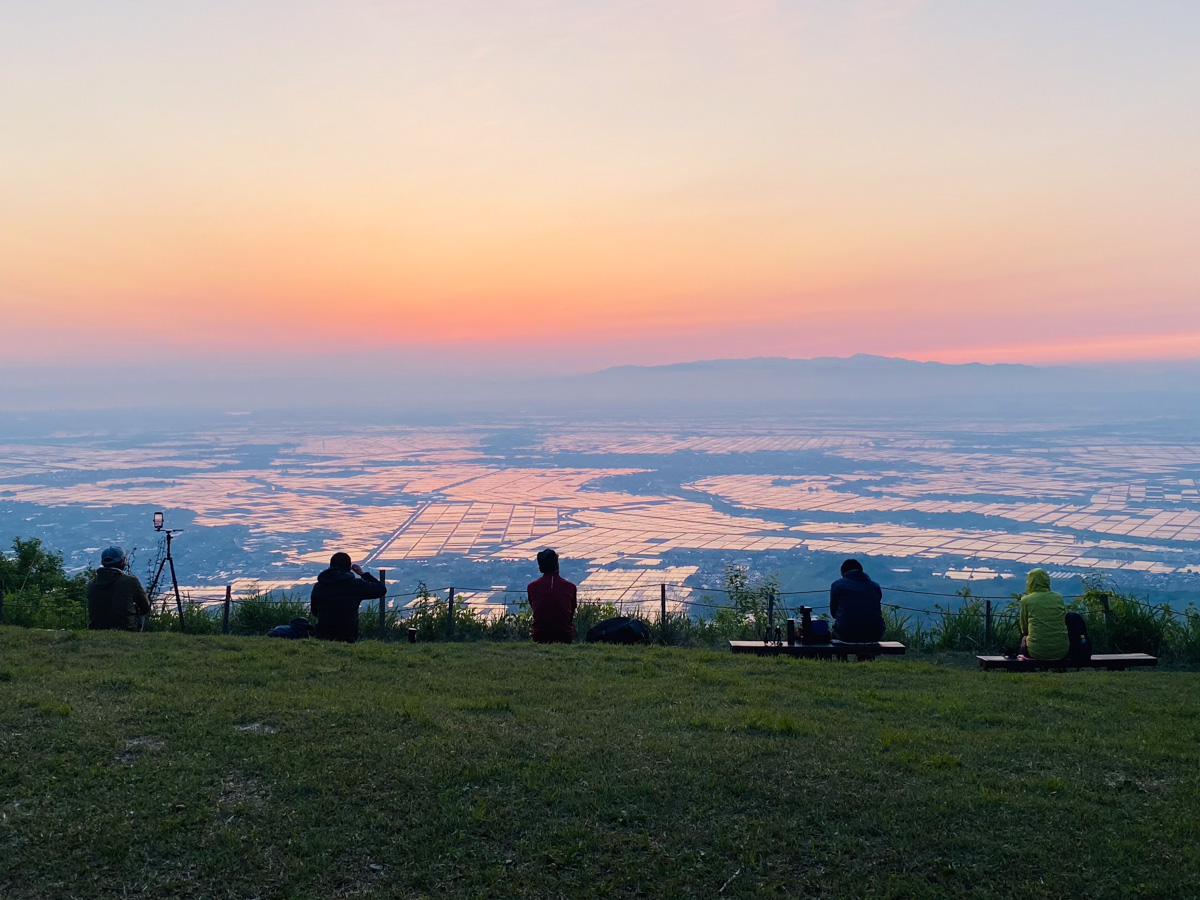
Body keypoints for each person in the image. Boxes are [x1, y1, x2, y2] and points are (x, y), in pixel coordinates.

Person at [310, 552, 387, 643]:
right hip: (348, 635)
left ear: (331, 566)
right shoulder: (356, 585)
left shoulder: (319, 586)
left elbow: (314, 611)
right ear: (349, 568)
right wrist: (362, 573)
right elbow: (381, 589)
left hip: (323, 634)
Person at [87, 546, 151, 631]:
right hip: (126, 628)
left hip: (96, 628)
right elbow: (145, 608)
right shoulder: (130, 581)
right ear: (122, 561)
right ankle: (135, 637)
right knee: (139, 613)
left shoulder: (91, 584)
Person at [527, 548, 577, 644]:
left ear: (540, 568)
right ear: (557, 565)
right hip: (564, 637)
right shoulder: (570, 587)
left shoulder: (532, 587)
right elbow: (570, 614)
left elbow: (535, 609)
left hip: (539, 636)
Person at [829, 558, 886, 643]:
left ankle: (842, 656)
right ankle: (867, 656)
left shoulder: (838, 585)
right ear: (861, 571)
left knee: (835, 632)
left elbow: (834, 613)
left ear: (842, 572)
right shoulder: (874, 586)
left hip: (846, 632)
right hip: (874, 633)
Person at [1019, 568, 1069, 660]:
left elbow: (1024, 628)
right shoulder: (1058, 598)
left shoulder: (1026, 600)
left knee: (1024, 639)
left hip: (1035, 652)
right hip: (1062, 650)